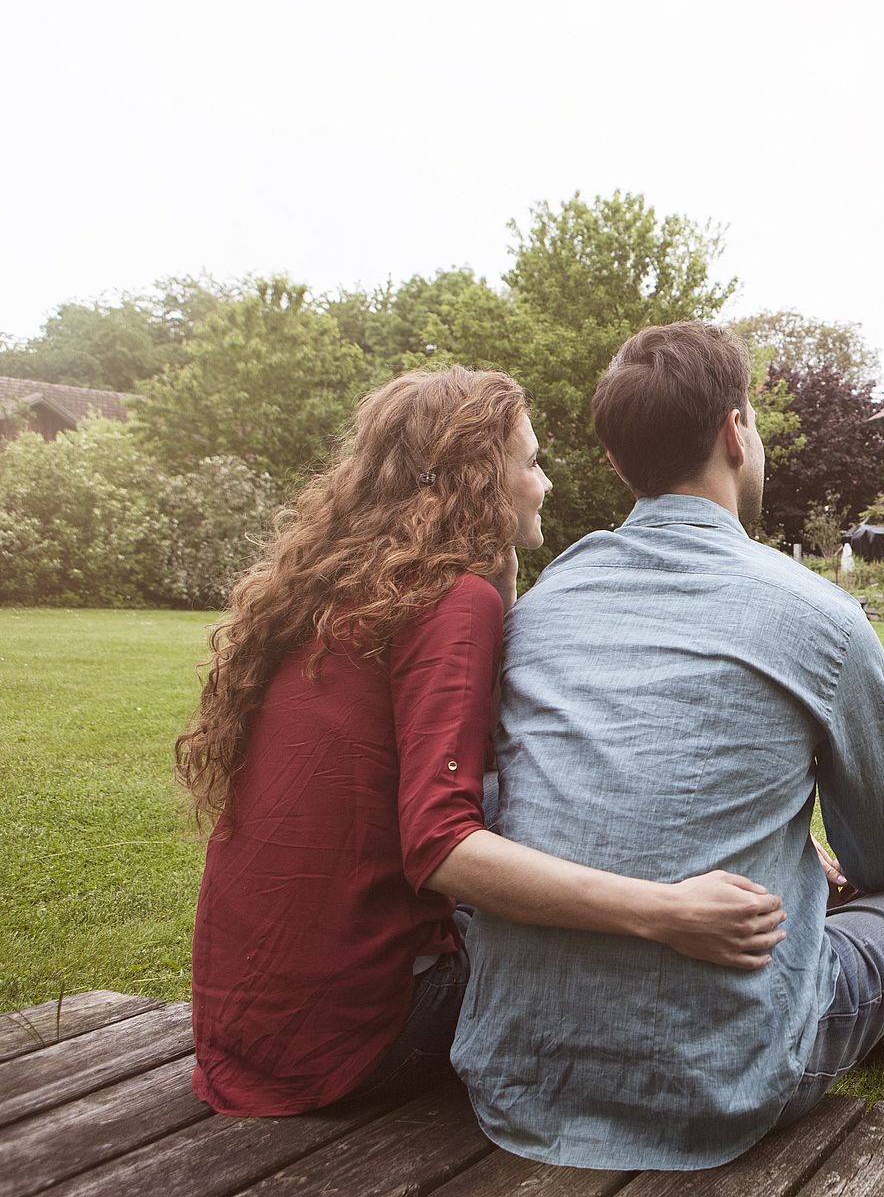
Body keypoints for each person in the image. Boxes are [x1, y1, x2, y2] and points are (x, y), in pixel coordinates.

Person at [454, 322, 884, 1172]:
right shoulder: (819, 615)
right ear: (735, 431)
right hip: (732, 1077)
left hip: (516, 1075)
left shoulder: (547, 599)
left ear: (615, 463)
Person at [180, 367, 786, 1117]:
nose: (546, 484)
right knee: (601, 931)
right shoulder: (448, 600)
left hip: (247, 1029)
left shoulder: (343, 589)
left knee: (518, 798)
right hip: (360, 1038)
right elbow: (441, 848)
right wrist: (663, 910)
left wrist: (501, 583)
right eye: (530, 463)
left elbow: (495, 759)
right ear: (478, 481)